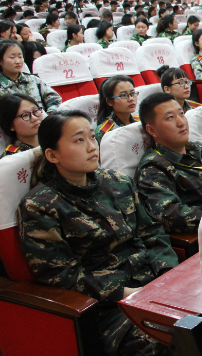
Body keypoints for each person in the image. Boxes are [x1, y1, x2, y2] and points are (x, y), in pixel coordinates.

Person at [18, 110, 178, 356]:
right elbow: (61, 276)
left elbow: (152, 233)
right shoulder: (41, 205)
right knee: (172, 340)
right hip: (108, 307)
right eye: (79, 140)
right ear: (52, 155)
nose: (92, 147)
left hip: (153, 283)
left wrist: (166, 276)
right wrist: (125, 293)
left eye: (92, 137)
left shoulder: (118, 181)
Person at [136, 93, 202, 233]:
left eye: (181, 114)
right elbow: (172, 216)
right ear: (151, 130)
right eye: (170, 117)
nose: (181, 122)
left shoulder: (199, 149)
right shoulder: (154, 168)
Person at [0, 40, 61, 112]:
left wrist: (49, 116)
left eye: (20, 57)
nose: (18, 61)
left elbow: (56, 100)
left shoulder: (34, 80)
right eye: (12, 57)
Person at [94, 75, 140, 144]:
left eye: (132, 93)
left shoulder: (140, 121)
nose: (131, 99)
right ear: (110, 101)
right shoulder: (104, 132)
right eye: (124, 95)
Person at [0, 93, 43, 158]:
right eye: (25, 115)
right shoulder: (12, 157)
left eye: (35, 111)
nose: (34, 118)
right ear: (10, 125)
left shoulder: (54, 139)